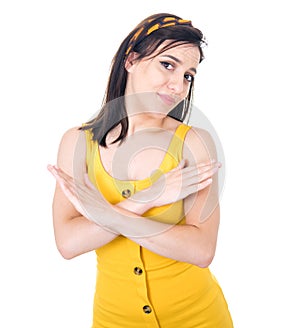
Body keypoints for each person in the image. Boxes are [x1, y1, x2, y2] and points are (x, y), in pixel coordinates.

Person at [48, 12, 234, 328]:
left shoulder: (195, 143)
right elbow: (68, 244)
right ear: (131, 60)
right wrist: (149, 197)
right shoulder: (77, 142)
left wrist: (103, 215)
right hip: (114, 320)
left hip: (199, 318)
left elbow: (201, 250)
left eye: (189, 74)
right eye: (168, 64)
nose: (179, 84)